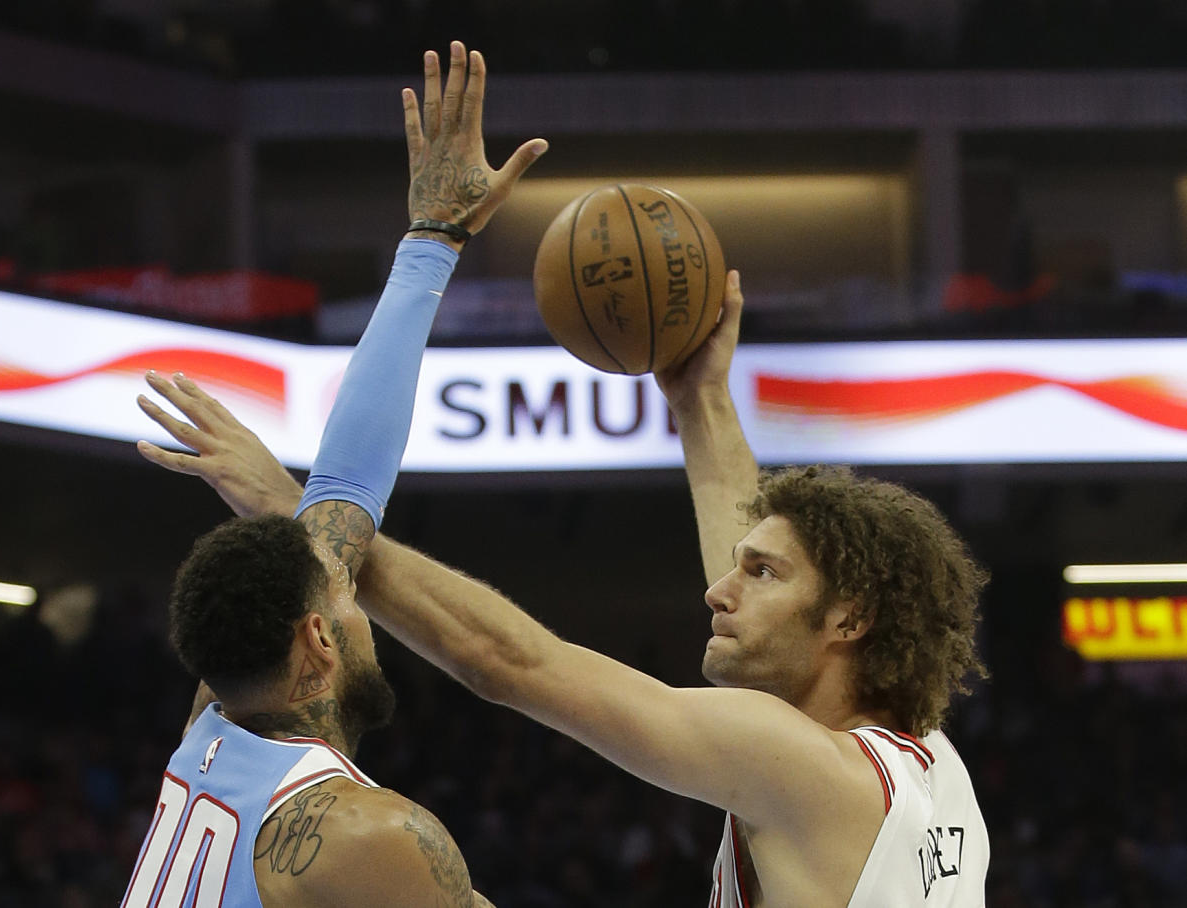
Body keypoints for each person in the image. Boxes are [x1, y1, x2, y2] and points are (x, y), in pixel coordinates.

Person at [140, 229, 990, 907]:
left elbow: (513, 664)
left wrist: (301, 516)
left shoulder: (801, 764)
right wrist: (699, 400)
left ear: (849, 621)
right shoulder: (933, 771)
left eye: (761, 576)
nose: (717, 590)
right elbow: (753, 544)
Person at [122, 40, 546, 908]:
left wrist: (432, 241)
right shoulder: (373, 837)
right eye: (347, 591)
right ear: (316, 641)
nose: (359, 576)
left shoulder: (213, 727)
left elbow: (344, 495)